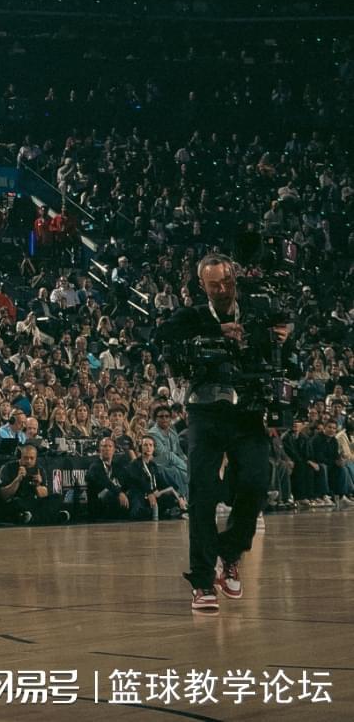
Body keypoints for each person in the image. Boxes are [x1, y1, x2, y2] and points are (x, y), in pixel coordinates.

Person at [160, 255, 292, 613]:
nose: (222, 289)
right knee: (202, 492)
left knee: (257, 482)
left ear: (235, 278)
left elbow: (283, 363)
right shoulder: (191, 316)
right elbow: (163, 338)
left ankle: (230, 552)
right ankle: (203, 581)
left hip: (249, 411)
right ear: (202, 286)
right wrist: (215, 334)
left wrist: (283, 340)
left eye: (227, 282)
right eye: (214, 284)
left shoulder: (257, 314)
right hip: (205, 411)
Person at [85, 437, 131, 519]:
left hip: (113, 503)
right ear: (100, 449)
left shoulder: (117, 467)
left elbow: (126, 482)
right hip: (97, 505)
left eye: (110, 446)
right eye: (104, 446)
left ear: (114, 450)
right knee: (109, 492)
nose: (107, 449)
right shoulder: (95, 467)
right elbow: (106, 482)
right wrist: (119, 493)